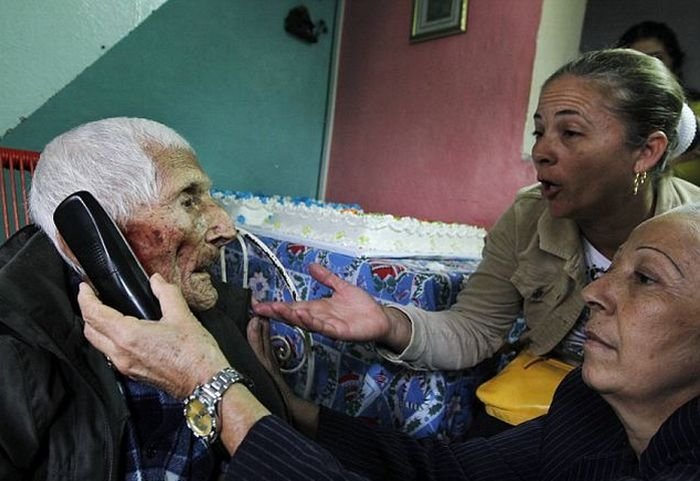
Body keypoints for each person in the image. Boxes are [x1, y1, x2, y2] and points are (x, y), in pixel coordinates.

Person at [78, 200, 700, 480]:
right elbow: (441, 470)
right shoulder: (587, 411)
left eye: (645, 278)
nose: (595, 293)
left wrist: (213, 389)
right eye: (612, 267)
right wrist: (288, 410)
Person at [252, 48, 700, 377]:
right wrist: (386, 322)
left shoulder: (692, 230)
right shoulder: (528, 217)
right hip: (553, 412)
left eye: (571, 132)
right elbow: (475, 330)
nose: (541, 151)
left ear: (646, 150)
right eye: (540, 132)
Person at [0, 117, 289, 480]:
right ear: (88, 237)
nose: (226, 229)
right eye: (188, 200)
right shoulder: (15, 350)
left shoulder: (217, 313)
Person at [616, 20, 700, 185]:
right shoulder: (615, 116)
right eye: (637, 60)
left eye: (656, 58)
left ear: (674, 61)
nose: (648, 68)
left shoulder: (696, 113)